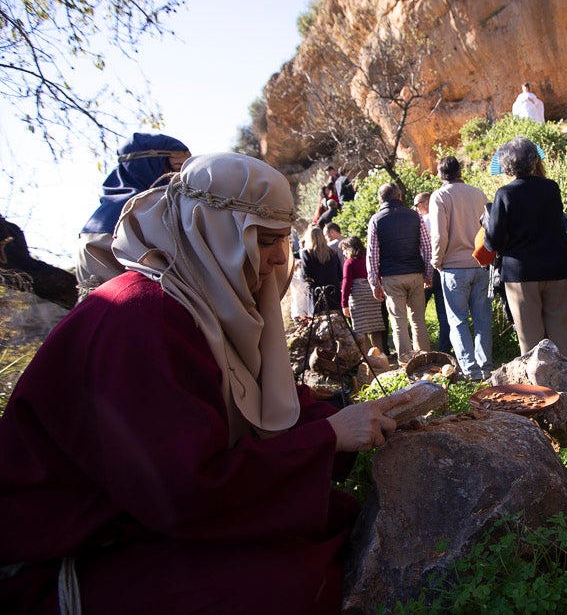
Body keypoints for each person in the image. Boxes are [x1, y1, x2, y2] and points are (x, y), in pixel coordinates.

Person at [0, 152, 411, 612]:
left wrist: (348, 423)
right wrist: (328, 437)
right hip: (68, 557)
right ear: (213, 232)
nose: (281, 258)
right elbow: (183, 490)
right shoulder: (140, 318)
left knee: (339, 520)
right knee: (290, 583)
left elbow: (261, 400)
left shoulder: (205, 302)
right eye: (267, 240)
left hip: (143, 519)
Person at [485, 136, 567, 362]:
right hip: (558, 268)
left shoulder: (505, 194)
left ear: (505, 165)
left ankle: (540, 392)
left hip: (521, 274)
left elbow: (494, 241)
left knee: (531, 342)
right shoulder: (551, 188)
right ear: (534, 160)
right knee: (563, 336)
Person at [76, 132, 190, 298]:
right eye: (178, 168)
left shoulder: (92, 226)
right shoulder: (149, 214)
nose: (182, 179)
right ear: (150, 167)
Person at [429, 156, 492, 380]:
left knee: (458, 320)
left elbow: (439, 235)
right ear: (460, 171)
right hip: (481, 263)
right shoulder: (478, 193)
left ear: (440, 174)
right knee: (483, 318)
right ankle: (485, 368)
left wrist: (437, 262)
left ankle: (471, 371)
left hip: (454, 267)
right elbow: (490, 227)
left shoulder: (439, 196)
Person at [366, 183, 433, 362]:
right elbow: (427, 247)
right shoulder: (415, 216)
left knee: (398, 322)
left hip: (391, 276)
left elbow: (372, 254)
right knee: (418, 320)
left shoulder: (376, 220)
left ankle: (407, 363)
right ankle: (425, 360)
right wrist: (428, 273)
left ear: (381, 200)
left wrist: (374, 283)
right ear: (399, 197)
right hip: (415, 273)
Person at [413, 192, 453, 356]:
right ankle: (445, 349)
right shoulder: (441, 218)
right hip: (442, 266)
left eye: (417, 205)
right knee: (444, 313)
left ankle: (422, 350)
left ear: (425, 203)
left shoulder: (422, 220)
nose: (415, 209)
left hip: (425, 270)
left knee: (417, 313)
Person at [340, 235, 385, 353]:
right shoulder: (368, 259)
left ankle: (366, 358)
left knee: (360, 329)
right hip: (372, 295)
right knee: (376, 327)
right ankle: (380, 354)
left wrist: (344, 304)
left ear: (349, 248)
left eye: (344, 249)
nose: (343, 253)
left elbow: (346, 283)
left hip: (358, 298)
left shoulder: (349, 263)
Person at [300, 224, 343, 313]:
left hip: (317, 293)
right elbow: (340, 274)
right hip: (333, 292)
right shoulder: (332, 252)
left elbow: (305, 276)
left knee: (320, 321)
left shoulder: (307, 253)